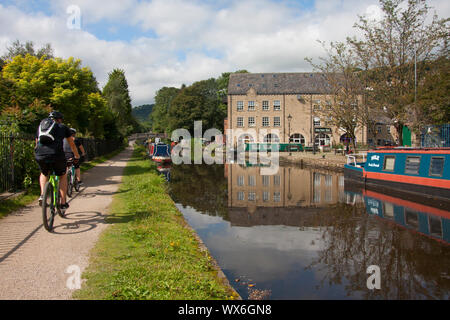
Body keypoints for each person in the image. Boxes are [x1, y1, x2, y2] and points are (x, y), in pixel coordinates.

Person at [35, 111, 80, 210]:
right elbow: (72, 144)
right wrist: (76, 156)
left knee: (44, 173)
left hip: (40, 154)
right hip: (56, 155)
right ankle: (63, 203)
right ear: (59, 119)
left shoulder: (41, 126)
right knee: (62, 175)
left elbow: (37, 143)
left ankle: (43, 194)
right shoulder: (62, 127)